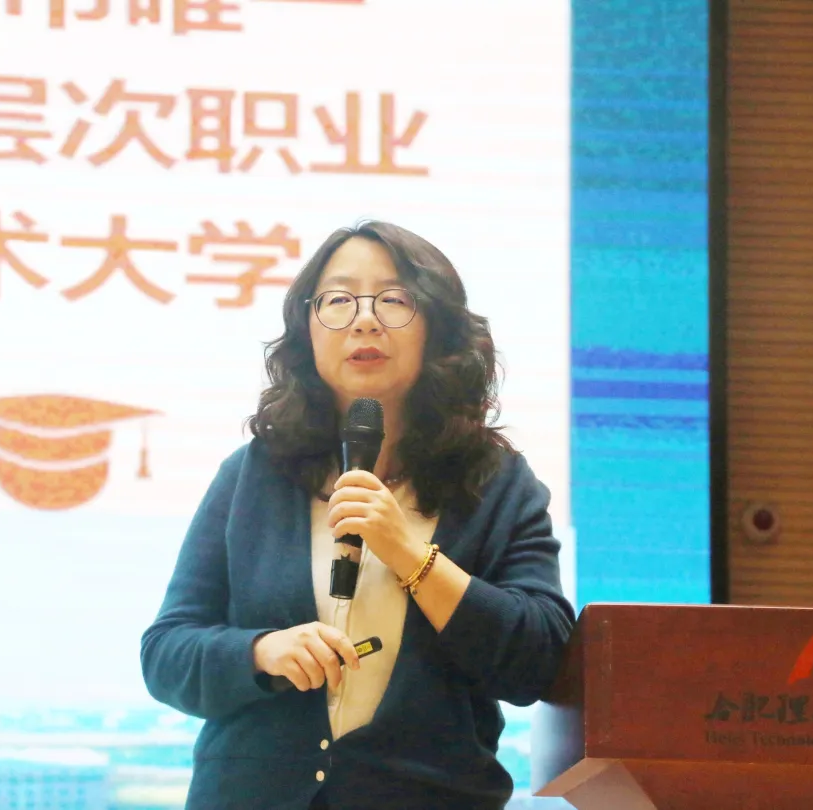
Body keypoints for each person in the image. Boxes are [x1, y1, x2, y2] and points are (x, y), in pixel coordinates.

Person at [140, 221, 575, 810]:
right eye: (338, 300)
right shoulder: (254, 476)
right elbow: (167, 652)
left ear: (437, 328)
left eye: (393, 300)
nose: (364, 320)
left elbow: (540, 661)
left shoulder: (496, 483)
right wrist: (261, 652)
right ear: (308, 330)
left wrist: (412, 557)